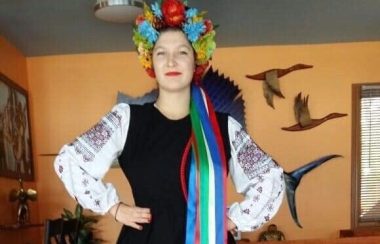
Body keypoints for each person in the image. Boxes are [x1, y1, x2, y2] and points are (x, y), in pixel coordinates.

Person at [54, 0, 284, 243]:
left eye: (182, 52)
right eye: (161, 53)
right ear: (150, 62)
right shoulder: (126, 120)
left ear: (196, 61)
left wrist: (235, 219)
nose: (171, 61)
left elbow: (270, 178)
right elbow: (70, 161)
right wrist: (115, 208)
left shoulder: (223, 127)